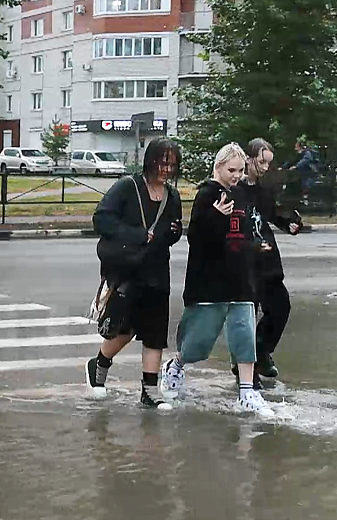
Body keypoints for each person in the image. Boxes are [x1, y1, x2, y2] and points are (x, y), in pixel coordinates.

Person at [160, 143, 276, 417]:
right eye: (231, 170)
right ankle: (175, 366)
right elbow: (196, 238)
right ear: (218, 167)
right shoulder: (207, 195)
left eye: (239, 170)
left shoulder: (241, 195)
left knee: (244, 335)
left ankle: (247, 391)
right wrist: (215, 215)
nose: (236, 175)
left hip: (241, 280)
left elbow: (247, 230)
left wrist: (256, 247)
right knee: (198, 341)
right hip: (209, 282)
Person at [86, 138, 184, 409]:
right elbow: (102, 219)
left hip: (157, 272)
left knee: (154, 332)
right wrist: (138, 235)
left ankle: (150, 390)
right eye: (163, 162)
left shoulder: (172, 196)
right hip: (128, 269)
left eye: (172, 164)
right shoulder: (127, 187)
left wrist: (174, 233)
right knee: (125, 328)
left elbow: (171, 233)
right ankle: (99, 365)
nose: (167, 169)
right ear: (150, 160)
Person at [235, 138, 302, 383]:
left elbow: (272, 215)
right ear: (249, 158)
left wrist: (289, 224)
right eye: (261, 162)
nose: (264, 168)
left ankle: (262, 351)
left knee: (280, 308)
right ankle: (246, 369)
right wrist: (250, 246)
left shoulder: (262, 191)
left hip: (269, 263)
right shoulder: (235, 190)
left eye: (268, 164)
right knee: (247, 316)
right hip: (247, 264)